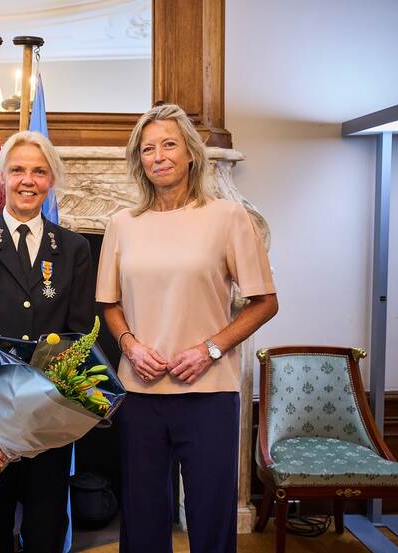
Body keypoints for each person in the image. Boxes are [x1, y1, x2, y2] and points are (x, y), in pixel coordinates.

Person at [96, 103, 278, 553]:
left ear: (192, 153)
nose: (158, 156)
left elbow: (265, 302)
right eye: (147, 148)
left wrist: (210, 350)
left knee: (211, 515)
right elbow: (108, 305)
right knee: (142, 517)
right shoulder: (122, 224)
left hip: (209, 392)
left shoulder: (228, 217)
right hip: (139, 393)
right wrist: (130, 346)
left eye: (169, 144)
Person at [0, 131, 95, 552]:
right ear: (1, 179)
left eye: (39, 171)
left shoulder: (73, 249)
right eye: (17, 170)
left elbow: (79, 335)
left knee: (46, 529)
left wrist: (52, 410)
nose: (27, 180)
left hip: (48, 420)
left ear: (51, 181)